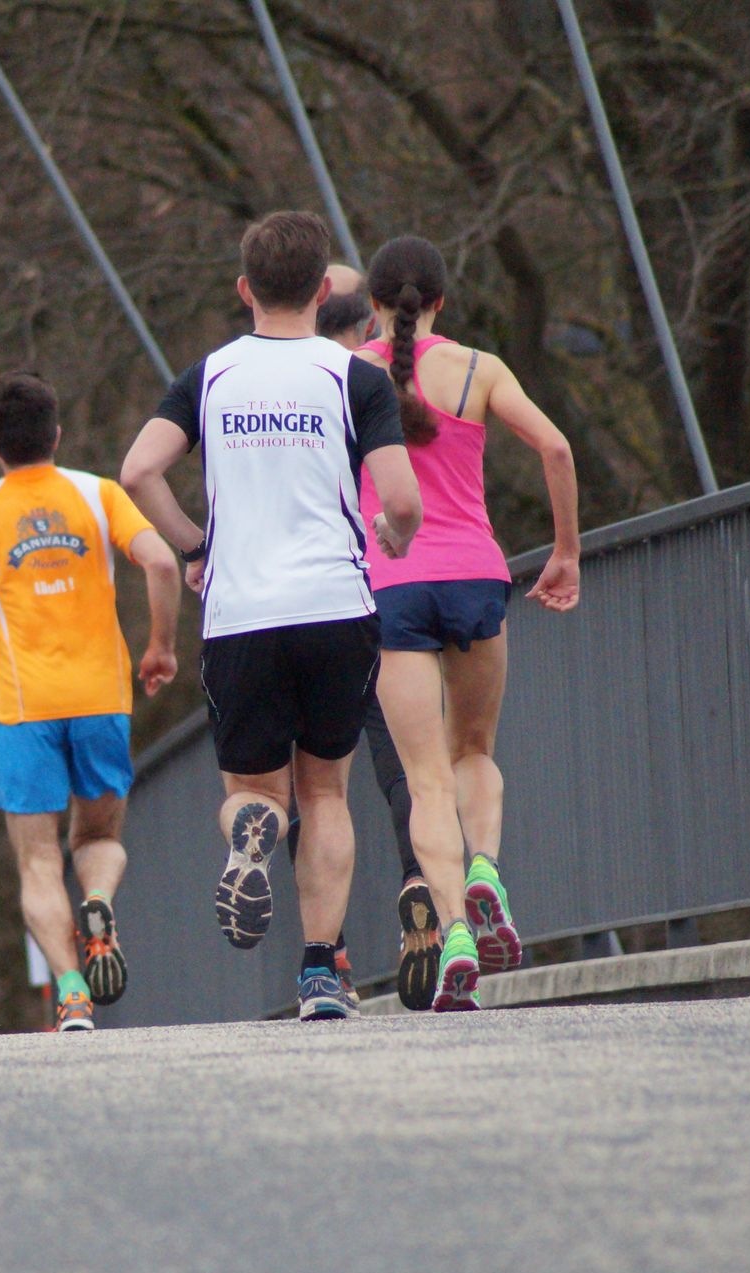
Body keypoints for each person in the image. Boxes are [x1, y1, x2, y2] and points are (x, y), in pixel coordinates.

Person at [120, 210, 424, 1023]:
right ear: (324, 290)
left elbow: (138, 469)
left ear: (244, 288)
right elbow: (402, 500)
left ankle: (253, 826)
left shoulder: (210, 377)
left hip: (241, 611)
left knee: (255, 789)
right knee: (325, 791)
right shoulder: (354, 377)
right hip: (335, 608)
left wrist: (196, 545)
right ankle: (321, 973)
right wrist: (393, 535)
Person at [359, 236, 581, 1011]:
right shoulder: (480, 369)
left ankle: (455, 931)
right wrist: (565, 552)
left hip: (392, 583)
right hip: (475, 576)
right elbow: (556, 446)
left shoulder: (348, 376)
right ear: (441, 302)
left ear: (374, 304)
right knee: (474, 751)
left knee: (424, 778)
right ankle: (486, 866)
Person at [0, 372, 181, 1033]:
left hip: (26, 711)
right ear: (56, 433)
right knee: (99, 836)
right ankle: (98, 901)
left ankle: (72, 990)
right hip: (101, 699)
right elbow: (163, 563)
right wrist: (160, 646)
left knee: (38, 860)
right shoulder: (98, 494)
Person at [315, 262, 442, 1011]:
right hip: (391, 597)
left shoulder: (287, 391)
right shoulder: (385, 380)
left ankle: (326, 954)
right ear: (367, 320)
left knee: (309, 786)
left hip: (307, 609)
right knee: (404, 771)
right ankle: (419, 886)